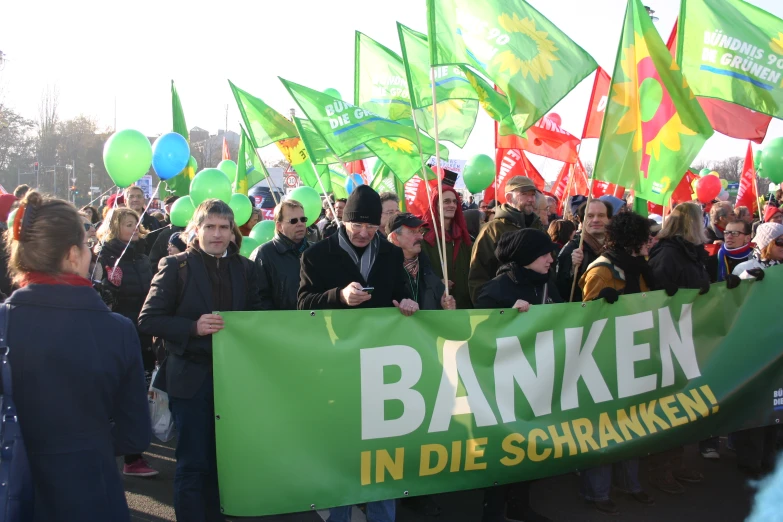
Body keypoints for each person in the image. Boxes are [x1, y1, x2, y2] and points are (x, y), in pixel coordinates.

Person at [5, 191, 150, 521]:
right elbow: (134, 434)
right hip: (91, 489)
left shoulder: (4, 321)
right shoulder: (118, 330)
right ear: (72, 255)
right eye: (86, 246)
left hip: (12, 491)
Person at [138, 199, 264, 522]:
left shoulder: (246, 269)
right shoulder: (175, 266)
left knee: (223, 464)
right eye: (210, 227)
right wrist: (192, 327)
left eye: (224, 227)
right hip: (190, 382)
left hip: (233, 383)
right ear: (196, 229)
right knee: (193, 464)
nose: (218, 234)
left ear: (233, 232)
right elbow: (148, 319)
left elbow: (261, 318)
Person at [298, 186, 416, 522]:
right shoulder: (315, 255)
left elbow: (400, 293)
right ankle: (339, 515)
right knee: (344, 450)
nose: (364, 233)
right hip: (337, 364)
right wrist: (338, 295)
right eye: (357, 226)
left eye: (371, 226)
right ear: (344, 222)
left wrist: (406, 303)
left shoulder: (392, 255)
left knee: (383, 451)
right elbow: (302, 304)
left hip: (383, 366)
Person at [475, 228, 558, 522]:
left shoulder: (547, 284)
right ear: (526, 257)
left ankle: (519, 506)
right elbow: (477, 340)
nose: (551, 258)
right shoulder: (496, 290)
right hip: (503, 385)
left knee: (528, 447)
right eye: (545, 253)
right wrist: (506, 320)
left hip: (538, 380)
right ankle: (493, 511)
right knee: (503, 450)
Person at [577, 212, 656, 515]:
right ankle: (596, 491)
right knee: (603, 428)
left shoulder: (640, 268)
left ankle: (630, 484)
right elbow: (586, 319)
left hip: (634, 355)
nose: (651, 242)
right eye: (645, 237)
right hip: (604, 361)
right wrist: (601, 303)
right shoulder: (602, 270)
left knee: (634, 422)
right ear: (632, 240)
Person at [647, 201, 708, 493]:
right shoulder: (669, 253)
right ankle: (660, 469)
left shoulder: (690, 253)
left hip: (687, 334)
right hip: (668, 338)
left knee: (683, 403)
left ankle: (675, 461)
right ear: (693, 223)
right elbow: (656, 296)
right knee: (667, 405)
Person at [94, 207, 158, 477]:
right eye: (128, 224)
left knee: (137, 394)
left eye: (136, 224)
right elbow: (98, 295)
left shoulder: (143, 257)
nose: (134, 229)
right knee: (109, 396)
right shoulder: (102, 256)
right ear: (115, 226)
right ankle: (102, 455)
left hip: (141, 333)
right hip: (113, 333)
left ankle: (133, 458)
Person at [469, 176, 543, 304]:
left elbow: (549, 263)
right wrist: (487, 309)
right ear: (509, 198)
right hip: (506, 309)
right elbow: (478, 274)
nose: (531, 199)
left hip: (536, 307)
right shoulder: (493, 230)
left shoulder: (538, 227)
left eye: (532, 194)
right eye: (524, 194)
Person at [387, 213, 455, 311]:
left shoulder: (427, 267)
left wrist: (446, 307)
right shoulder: (383, 270)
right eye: (412, 231)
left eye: (419, 231)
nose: (420, 237)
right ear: (395, 238)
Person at [251, 199, 310, 310]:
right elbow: (257, 298)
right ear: (279, 226)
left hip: (313, 322)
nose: (300, 224)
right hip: (279, 324)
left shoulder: (314, 251)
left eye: (303, 219)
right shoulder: (263, 254)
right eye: (293, 221)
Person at [421, 186, 473, 310]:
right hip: (436, 306)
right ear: (435, 204)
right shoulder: (424, 236)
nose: (452, 205)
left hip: (463, 305)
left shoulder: (463, 236)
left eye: (455, 201)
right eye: (446, 201)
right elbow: (420, 271)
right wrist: (437, 283)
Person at [556, 199, 612, 302]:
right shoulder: (571, 248)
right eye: (590, 216)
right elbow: (560, 289)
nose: (595, 220)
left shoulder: (616, 247)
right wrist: (572, 268)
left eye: (601, 215)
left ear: (609, 219)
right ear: (581, 221)